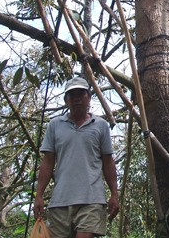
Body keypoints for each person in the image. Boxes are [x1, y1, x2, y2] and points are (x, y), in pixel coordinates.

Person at [34, 76, 120, 238]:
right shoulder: (55, 125)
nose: (77, 99)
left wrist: (114, 194)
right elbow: (48, 161)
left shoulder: (100, 125)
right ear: (66, 100)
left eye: (81, 94)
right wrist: (39, 195)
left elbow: (108, 162)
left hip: (92, 199)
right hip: (60, 200)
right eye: (72, 95)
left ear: (89, 98)